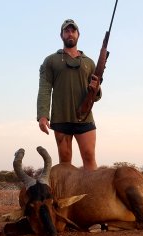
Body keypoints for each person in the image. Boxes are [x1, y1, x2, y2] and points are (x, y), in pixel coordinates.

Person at [37, 19, 101, 171]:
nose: (70, 33)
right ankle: (67, 195)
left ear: (78, 34)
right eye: (66, 31)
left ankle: (92, 195)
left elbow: (96, 97)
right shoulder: (51, 61)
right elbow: (45, 88)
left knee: (89, 157)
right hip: (61, 117)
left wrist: (95, 89)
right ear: (61, 35)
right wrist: (42, 115)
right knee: (65, 162)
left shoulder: (90, 63)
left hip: (84, 117)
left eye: (73, 31)